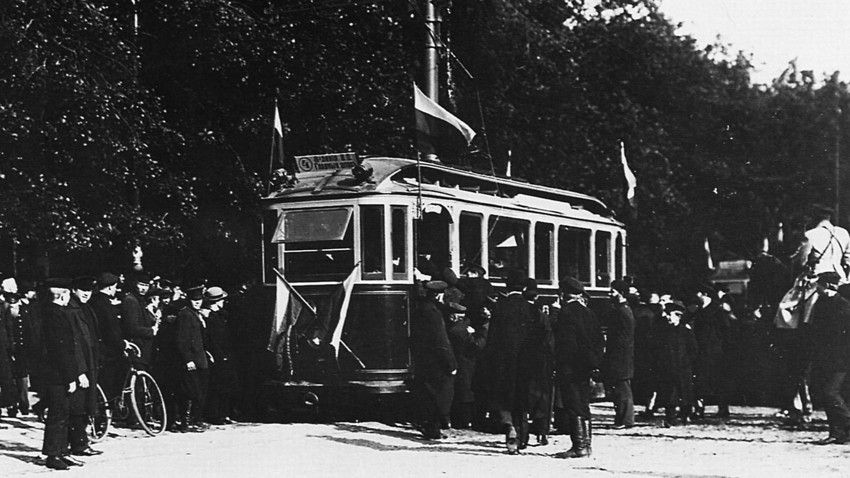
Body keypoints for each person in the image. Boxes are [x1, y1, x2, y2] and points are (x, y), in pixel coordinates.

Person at [477, 269, 534, 454]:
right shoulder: (530, 307)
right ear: (524, 287)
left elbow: (492, 338)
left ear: (507, 286)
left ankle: (509, 428)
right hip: (525, 362)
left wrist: (491, 361)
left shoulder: (501, 307)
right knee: (521, 399)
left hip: (503, 362)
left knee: (503, 398)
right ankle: (522, 438)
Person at [41, 278, 92, 470]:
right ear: (62, 295)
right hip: (58, 375)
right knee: (58, 415)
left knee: (63, 413)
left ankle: (62, 452)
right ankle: (53, 454)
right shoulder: (55, 316)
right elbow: (61, 350)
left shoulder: (55, 313)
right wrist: (71, 376)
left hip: (60, 373)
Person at [553, 276, 603, 459]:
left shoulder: (566, 313)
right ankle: (587, 445)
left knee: (573, 405)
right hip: (585, 366)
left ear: (563, 293)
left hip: (570, 367)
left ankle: (579, 446)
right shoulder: (588, 312)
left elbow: (567, 343)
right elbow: (598, 340)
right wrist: (593, 362)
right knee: (583, 404)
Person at [410, 280, 456, 440]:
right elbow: (440, 339)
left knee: (426, 391)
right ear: (439, 295)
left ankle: (428, 426)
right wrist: (450, 362)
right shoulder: (433, 312)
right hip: (436, 359)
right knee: (438, 393)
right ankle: (433, 429)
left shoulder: (421, 308)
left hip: (423, 357)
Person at [809, 272, 850, 444]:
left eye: (819, 285)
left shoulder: (844, 307)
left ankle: (846, 423)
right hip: (824, 357)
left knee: (830, 393)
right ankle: (836, 433)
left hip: (841, 359)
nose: (816, 288)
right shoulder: (820, 304)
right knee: (826, 395)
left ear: (827, 286)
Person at [654, 300, 698, 427]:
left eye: (670, 314)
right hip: (668, 368)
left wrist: (688, 364)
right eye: (666, 314)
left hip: (683, 368)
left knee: (685, 393)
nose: (667, 317)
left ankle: (685, 416)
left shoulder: (686, 330)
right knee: (669, 394)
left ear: (678, 315)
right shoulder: (664, 330)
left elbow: (693, 350)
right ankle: (670, 418)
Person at [691, 283, 732, 420]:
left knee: (717, 380)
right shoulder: (698, 310)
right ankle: (699, 408)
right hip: (700, 350)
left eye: (698, 294)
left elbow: (726, 330)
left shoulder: (717, 310)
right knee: (700, 380)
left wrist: (720, 345)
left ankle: (723, 408)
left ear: (704, 295)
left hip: (714, 350)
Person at [176, 286, 209, 432]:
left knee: (199, 390)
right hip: (192, 359)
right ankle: (187, 422)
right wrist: (188, 359)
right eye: (194, 300)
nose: (197, 302)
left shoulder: (196, 314)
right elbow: (182, 339)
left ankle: (196, 420)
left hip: (200, 357)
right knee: (191, 391)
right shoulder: (185, 314)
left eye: (199, 300)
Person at [204, 286, 239, 425]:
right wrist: (219, 354)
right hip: (219, 356)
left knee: (226, 387)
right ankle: (215, 415)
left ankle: (223, 414)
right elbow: (212, 339)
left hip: (226, 355)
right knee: (217, 387)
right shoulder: (211, 318)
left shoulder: (221, 315)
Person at [604, 279, 636, 429]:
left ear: (621, 293)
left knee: (622, 389)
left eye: (613, 291)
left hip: (620, 357)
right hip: (621, 357)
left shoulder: (622, 312)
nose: (610, 294)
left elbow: (621, 339)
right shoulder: (622, 310)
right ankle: (623, 419)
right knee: (620, 389)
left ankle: (625, 420)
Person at [795, 204, 850, 283]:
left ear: (813, 217)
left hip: (817, 281)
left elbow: (801, 262)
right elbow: (848, 261)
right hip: (840, 280)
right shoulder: (842, 233)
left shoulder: (810, 234)